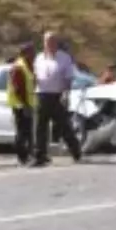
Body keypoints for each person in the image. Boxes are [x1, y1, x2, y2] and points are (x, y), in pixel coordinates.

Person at [32, 30, 82, 166]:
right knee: (40, 127)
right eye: (46, 42)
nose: (49, 44)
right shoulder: (39, 58)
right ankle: (39, 156)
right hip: (42, 94)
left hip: (56, 95)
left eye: (51, 41)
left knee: (64, 126)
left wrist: (66, 93)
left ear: (56, 43)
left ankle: (76, 151)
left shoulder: (64, 58)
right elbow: (35, 76)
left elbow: (68, 77)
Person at [8, 42, 38, 165]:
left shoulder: (29, 65)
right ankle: (22, 157)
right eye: (31, 52)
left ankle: (30, 155)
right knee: (22, 132)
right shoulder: (19, 67)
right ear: (25, 53)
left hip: (29, 103)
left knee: (29, 132)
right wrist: (25, 104)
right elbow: (17, 88)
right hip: (20, 105)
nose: (34, 54)